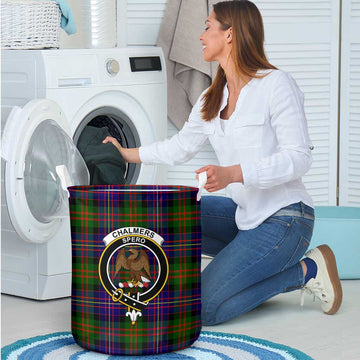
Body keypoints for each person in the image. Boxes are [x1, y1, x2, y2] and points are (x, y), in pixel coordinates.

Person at [103, 0, 342, 325]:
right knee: (166, 214)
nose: (200, 36)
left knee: (204, 309)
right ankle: (189, 285)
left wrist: (234, 174)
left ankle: (306, 270)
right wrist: (127, 153)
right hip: (246, 217)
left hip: (286, 219)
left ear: (229, 35)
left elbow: (298, 159)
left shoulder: (275, 84)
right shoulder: (211, 97)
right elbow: (180, 147)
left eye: (207, 27)